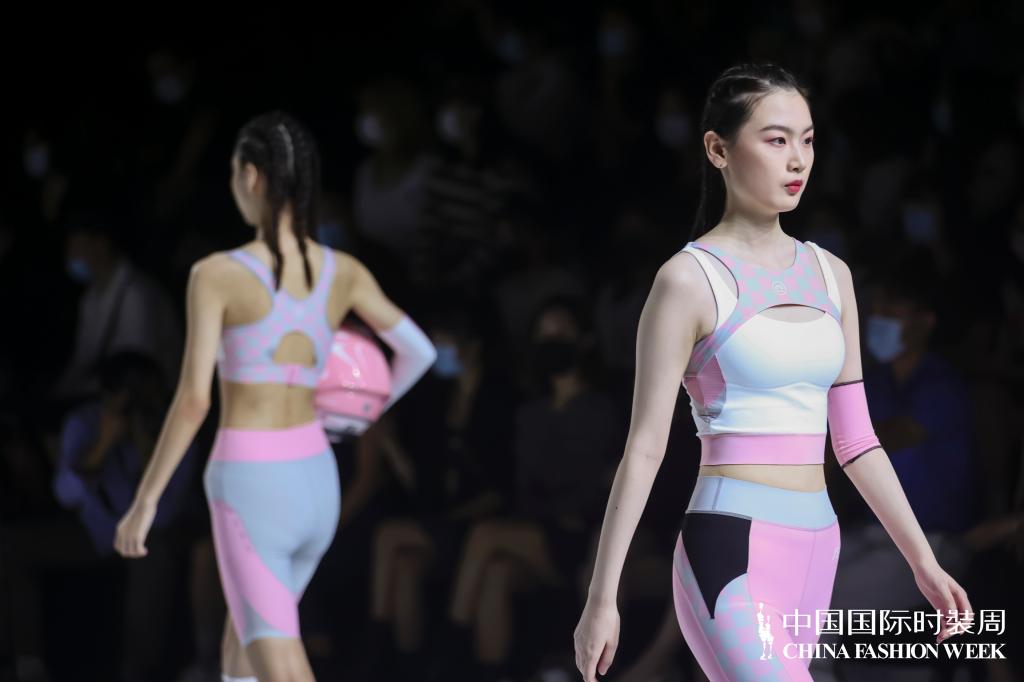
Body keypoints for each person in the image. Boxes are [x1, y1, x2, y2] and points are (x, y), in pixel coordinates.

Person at [573, 63, 973, 682]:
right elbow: (646, 447)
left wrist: (922, 561)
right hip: (729, 547)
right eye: (776, 139)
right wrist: (603, 599)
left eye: (807, 140)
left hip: (818, 547)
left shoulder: (831, 275)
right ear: (718, 149)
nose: (798, 160)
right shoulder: (688, 280)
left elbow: (857, 442)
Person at [113, 111, 436, 682]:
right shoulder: (342, 271)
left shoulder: (217, 274)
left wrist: (146, 502)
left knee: (278, 661)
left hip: (253, 482)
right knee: (241, 655)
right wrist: (354, 417)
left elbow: (193, 401)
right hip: (316, 479)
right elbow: (418, 352)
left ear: (251, 176)